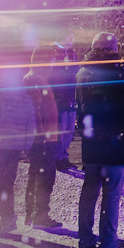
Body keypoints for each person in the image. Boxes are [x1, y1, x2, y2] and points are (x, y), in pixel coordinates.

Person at [76, 32, 124, 248]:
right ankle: (108, 244)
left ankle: (85, 239)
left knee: (89, 192)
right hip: (114, 141)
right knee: (111, 194)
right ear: (113, 47)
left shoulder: (82, 73)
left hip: (92, 141)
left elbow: (80, 107)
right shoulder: (118, 73)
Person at [0, 67, 36, 233]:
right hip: (14, 148)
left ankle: (6, 216)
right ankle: (7, 217)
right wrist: (26, 146)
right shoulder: (27, 99)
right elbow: (31, 125)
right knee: (6, 183)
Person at [23, 45, 62, 229]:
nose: (54, 63)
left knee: (37, 173)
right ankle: (40, 215)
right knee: (44, 175)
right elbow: (36, 112)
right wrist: (43, 138)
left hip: (44, 137)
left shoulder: (37, 78)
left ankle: (32, 214)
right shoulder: (35, 80)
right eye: (52, 59)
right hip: (43, 138)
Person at [49, 32, 79, 172]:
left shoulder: (72, 54)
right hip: (61, 97)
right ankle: (58, 157)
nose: (71, 39)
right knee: (61, 129)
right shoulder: (56, 53)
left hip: (70, 96)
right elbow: (55, 77)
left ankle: (63, 156)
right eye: (69, 36)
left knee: (68, 130)